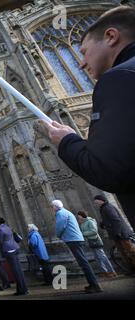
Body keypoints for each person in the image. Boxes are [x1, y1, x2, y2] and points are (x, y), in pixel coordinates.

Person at [40, 6, 135, 230]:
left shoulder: (119, 78)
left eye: (82, 51)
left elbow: (107, 170)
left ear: (111, 36)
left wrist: (67, 141)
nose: (80, 63)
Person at [53, 200, 103, 293]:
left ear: (56, 207)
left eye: (52, 206)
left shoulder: (60, 213)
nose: (52, 208)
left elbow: (60, 226)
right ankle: (93, 284)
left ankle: (95, 285)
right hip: (76, 239)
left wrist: (58, 235)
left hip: (73, 239)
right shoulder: (66, 212)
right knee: (83, 262)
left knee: (83, 263)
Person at [94, 195, 135, 274]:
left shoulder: (107, 207)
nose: (95, 203)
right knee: (124, 253)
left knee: (130, 252)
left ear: (101, 200)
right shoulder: (104, 208)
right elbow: (110, 219)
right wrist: (103, 223)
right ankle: (132, 269)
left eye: (96, 201)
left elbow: (116, 220)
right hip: (117, 234)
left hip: (121, 234)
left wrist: (117, 233)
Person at [76, 210, 117, 278]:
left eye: (78, 215)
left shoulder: (90, 221)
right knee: (97, 258)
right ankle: (105, 272)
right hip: (90, 241)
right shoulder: (82, 223)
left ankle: (112, 271)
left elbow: (94, 231)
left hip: (95, 240)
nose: (77, 216)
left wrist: (83, 234)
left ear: (81, 215)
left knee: (102, 256)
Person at [0, 217, 28, 296]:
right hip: (15, 248)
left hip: (8, 250)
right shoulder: (8, 227)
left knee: (15, 271)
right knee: (19, 270)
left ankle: (21, 290)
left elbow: (0, 242)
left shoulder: (0, 229)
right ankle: (24, 288)